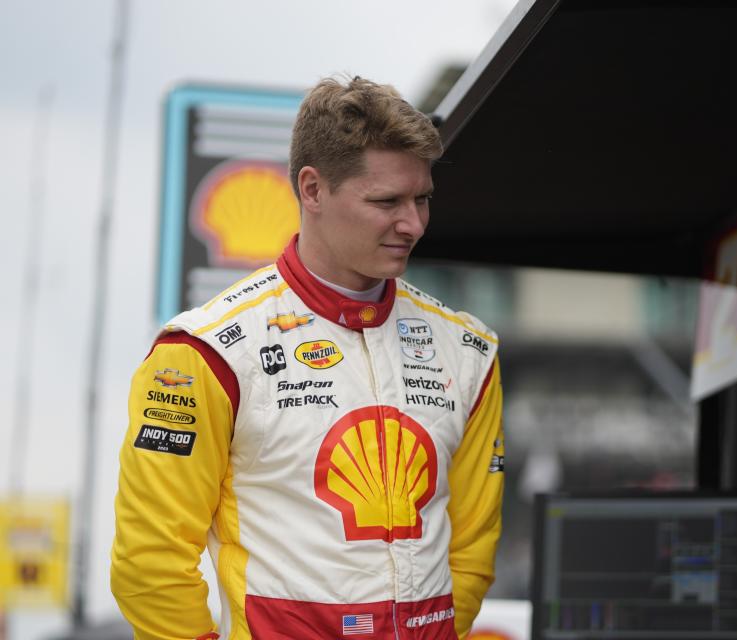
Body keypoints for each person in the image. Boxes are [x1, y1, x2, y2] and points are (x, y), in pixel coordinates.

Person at [110, 76, 504, 640]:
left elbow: (471, 551)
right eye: (386, 201)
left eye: (422, 199)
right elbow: (149, 562)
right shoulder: (203, 352)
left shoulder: (470, 351)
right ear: (312, 190)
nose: (413, 224)